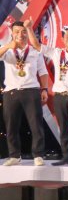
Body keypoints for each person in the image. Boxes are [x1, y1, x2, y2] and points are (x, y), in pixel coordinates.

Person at [26, 23, 68, 167]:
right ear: (63, 39)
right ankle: (67, 156)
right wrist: (28, 28)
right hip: (59, 95)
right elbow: (36, 44)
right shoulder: (56, 53)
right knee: (63, 127)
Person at [0, 21, 48, 166]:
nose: (20, 34)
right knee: (11, 126)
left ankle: (38, 155)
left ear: (28, 33)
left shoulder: (35, 51)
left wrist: (44, 89)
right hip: (11, 92)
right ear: (12, 33)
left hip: (31, 91)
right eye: (17, 32)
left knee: (36, 125)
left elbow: (43, 72)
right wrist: (8, 46)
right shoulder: (7, 50)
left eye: (23, 31)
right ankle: (15, 156)